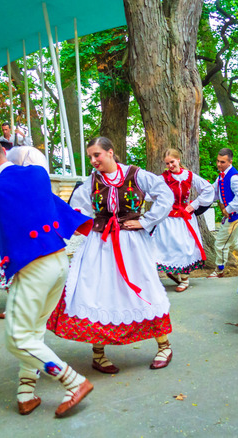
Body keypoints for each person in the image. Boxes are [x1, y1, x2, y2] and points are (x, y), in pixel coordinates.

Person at [0, 135, 94, 417]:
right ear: (4, 151)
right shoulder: (38, 174)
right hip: (60, 259)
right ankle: (26, 392)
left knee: (17, 337)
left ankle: (73, 382)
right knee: (34, 330)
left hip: (32, 267)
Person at [48, 136, 175, 374]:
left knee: (145, 288)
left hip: (132, 244)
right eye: (90, 157)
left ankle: (164, 346)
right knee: (98, 291)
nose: (93, 161)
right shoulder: (91, 182)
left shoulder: (137, 175)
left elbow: (165, 195)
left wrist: (145, 221)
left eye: (96, 155)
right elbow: (77, 209)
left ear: (110, 152)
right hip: (100, 243)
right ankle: (98, 354)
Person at [152, 148, 214, 292]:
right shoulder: (162, 178)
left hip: (185, 218)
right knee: (166, 247)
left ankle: (184, 280)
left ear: (178, 160)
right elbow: (151, 193)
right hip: (168, 219)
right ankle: (170, 272)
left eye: (172, 162)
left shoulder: (189, 176)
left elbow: (208, 189)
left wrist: (193, 205)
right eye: (167, 163)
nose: (170, 166)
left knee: (184, 248)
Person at [208, 148, 238, 278]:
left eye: (222, 162)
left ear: (230, 161)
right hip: (237, 216)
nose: (218, 164)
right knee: (233, 242)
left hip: (237, 216)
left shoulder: (234, 177)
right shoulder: (221, 176)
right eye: (217, 161)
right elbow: (214, 191)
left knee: (220, 244)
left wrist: (227, 209)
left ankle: (219, 270)